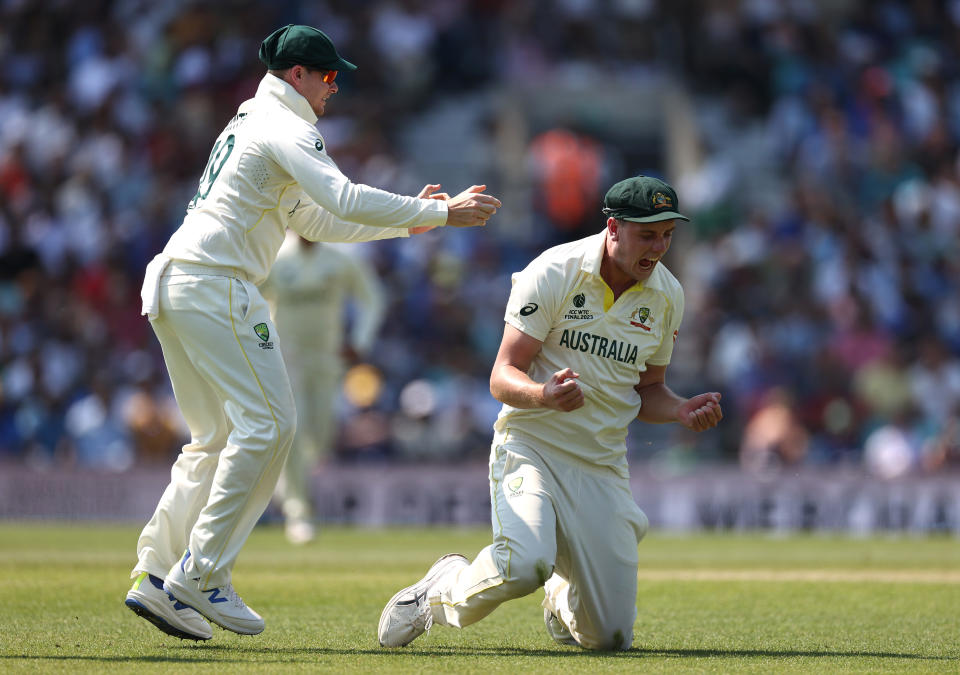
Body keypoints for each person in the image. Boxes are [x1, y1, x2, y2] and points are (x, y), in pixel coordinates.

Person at [123, 24, 500, 642]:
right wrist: (439, 211)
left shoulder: (249, 120)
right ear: (296, 74)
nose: (333, 89)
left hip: (173, 281)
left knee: (213, 439)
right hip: (217, 283)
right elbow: (344, 197)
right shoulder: (287, 125)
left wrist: (415, 225)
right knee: (270, 427)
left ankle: (156, 574)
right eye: (327, 77)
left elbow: (317, 219)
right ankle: (202, 574)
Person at [378, 175, 721, 651]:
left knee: (611, 638)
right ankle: (437, 593)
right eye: (647, 234)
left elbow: (649, 389)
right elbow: (502, 374)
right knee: (524, 566)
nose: (659, 247)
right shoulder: (555, 270)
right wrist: (543, 395)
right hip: (531, 446)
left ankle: (561, 597)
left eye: (667, 234)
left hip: (599, 464)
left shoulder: (668, 296)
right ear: (614, 228)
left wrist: (682, 410)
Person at [261, 234, 387, 544]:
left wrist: (360, 341)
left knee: (320, 438)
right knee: (295, 427)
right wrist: (261, 344)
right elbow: (247, 299)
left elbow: (373, 298)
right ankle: (298, 513)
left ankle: (284, 483)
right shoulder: (275, 256)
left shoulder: (340, 258)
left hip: (327, 361)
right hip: (286, 359)